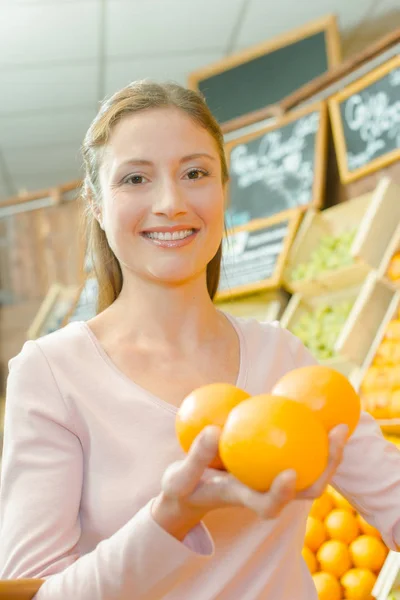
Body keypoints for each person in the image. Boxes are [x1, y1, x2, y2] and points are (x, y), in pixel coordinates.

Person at [0, 80, 399, 600]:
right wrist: (172, 515)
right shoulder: (52, 374)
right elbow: (38, 593)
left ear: (223, 190)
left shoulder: (281, 355)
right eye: (136, 178)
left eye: (195, 173)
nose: (171, 202)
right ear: (96, 204)